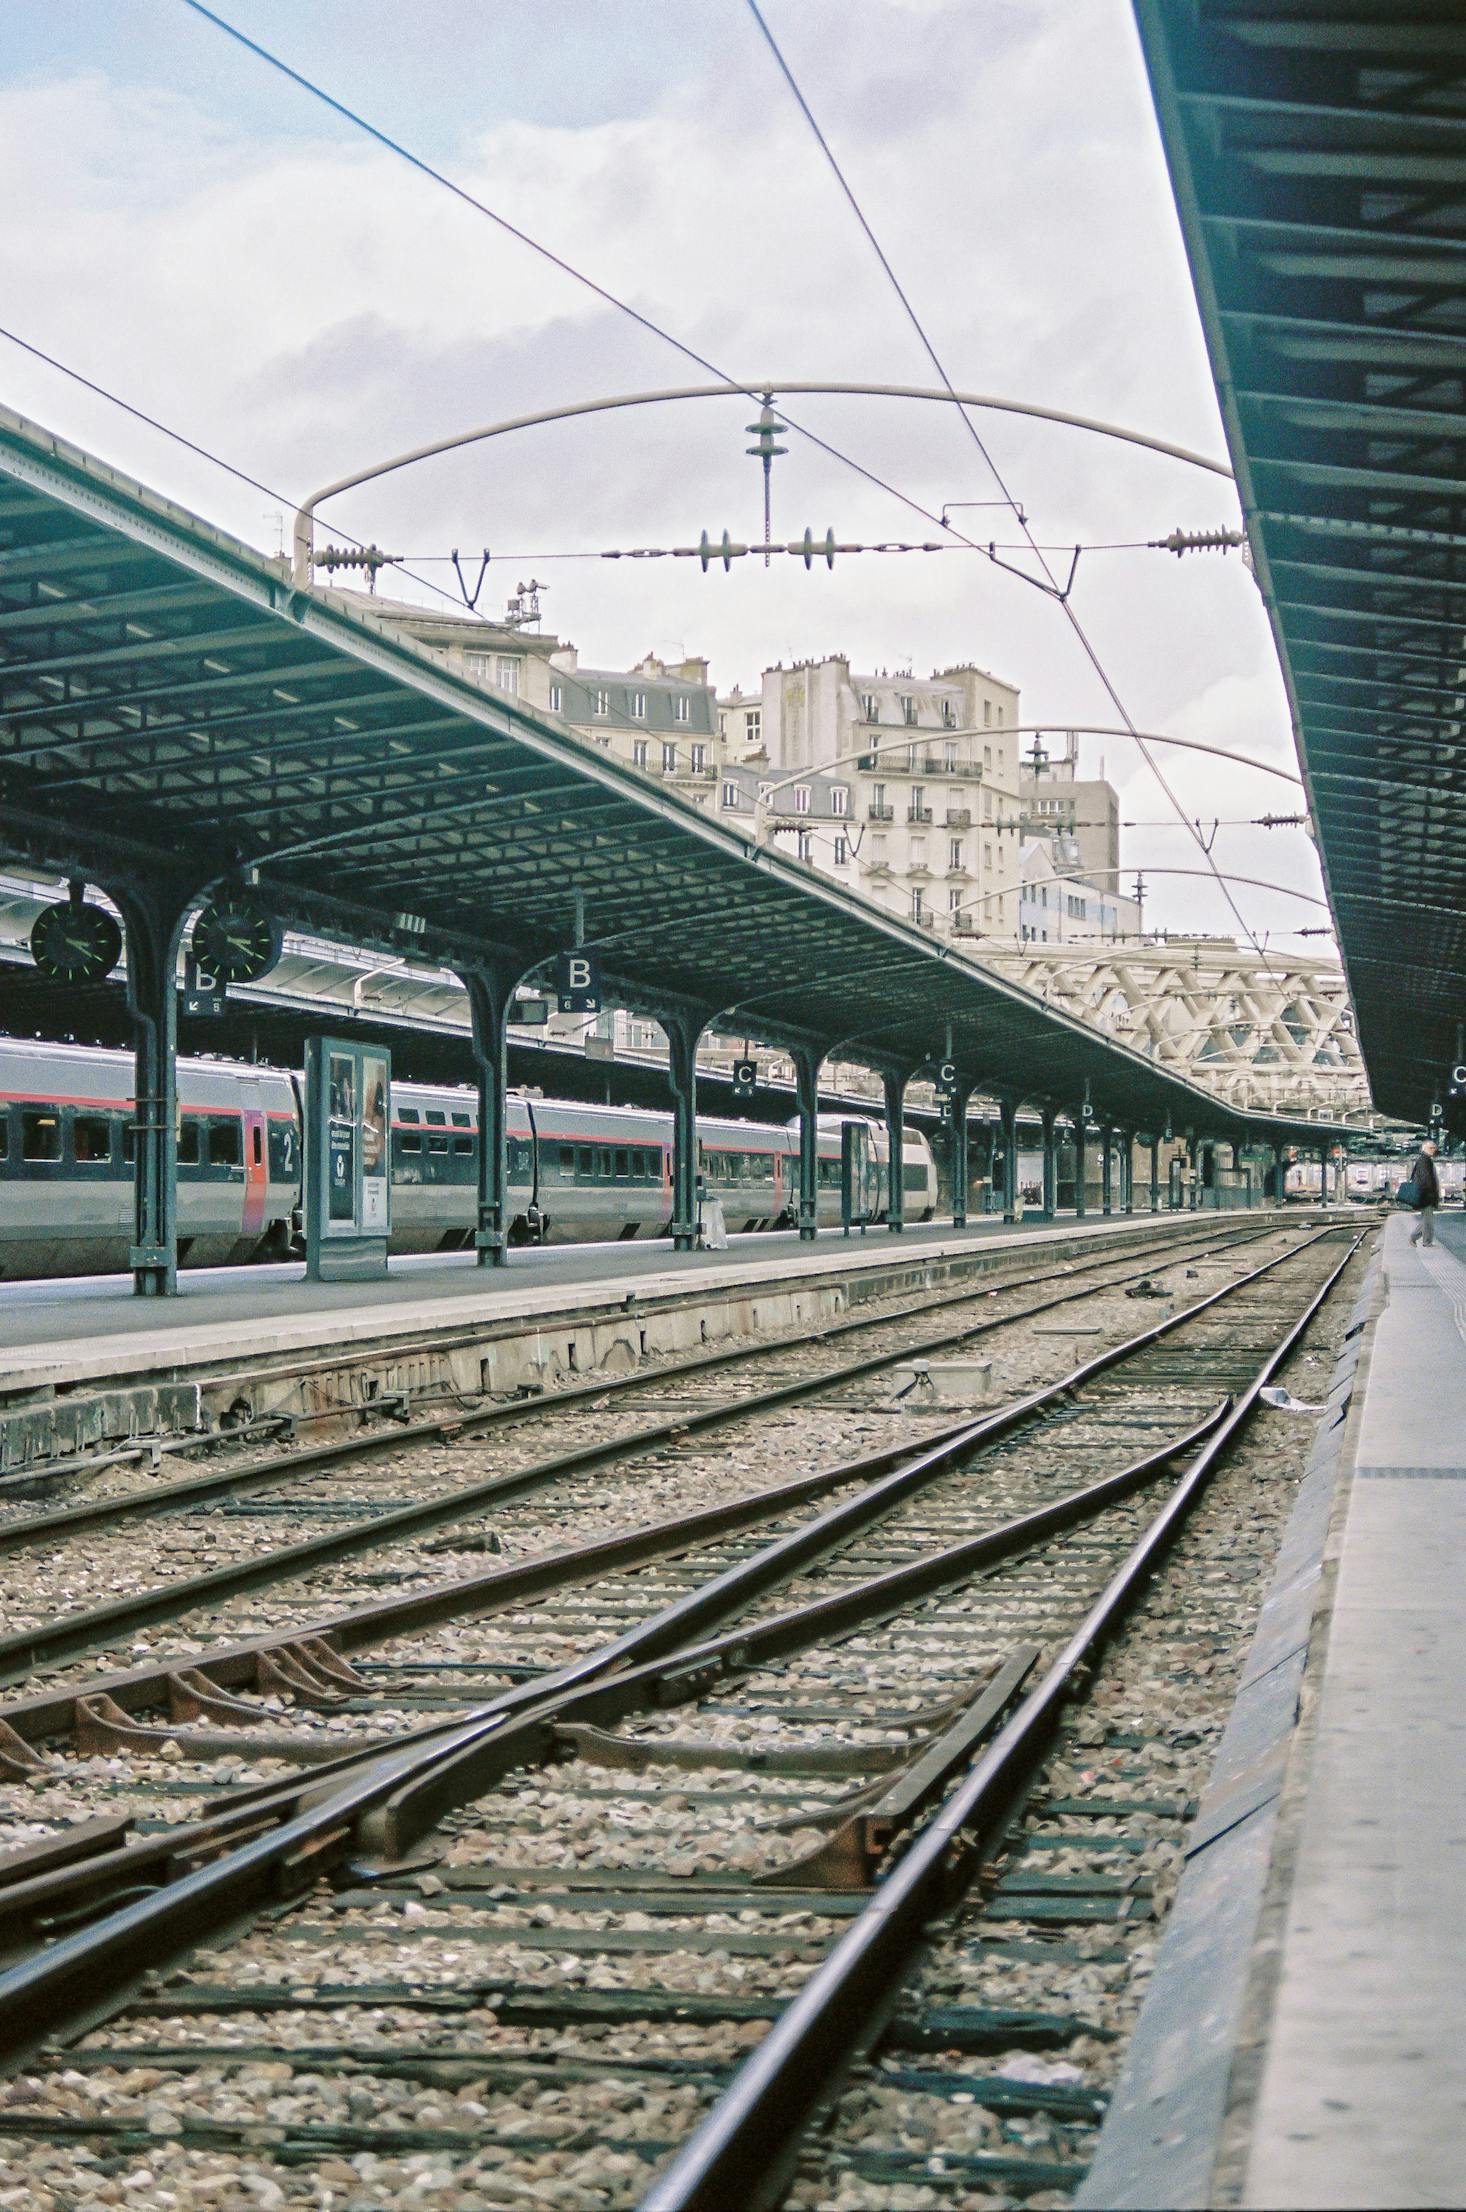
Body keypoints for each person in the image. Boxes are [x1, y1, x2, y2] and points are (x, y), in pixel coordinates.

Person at [1409, 1138, 1441, 1247]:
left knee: (1427, 1220)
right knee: (1428, 1221)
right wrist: (1431, 1195)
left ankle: (1422, 1240)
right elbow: (1426, 1179)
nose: (1434, 1150)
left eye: (1434, 1148)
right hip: (1426, 1196)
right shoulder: (1424, 1160)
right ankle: (1423, 1240)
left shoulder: (1426, 1159)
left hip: (1426, 1195)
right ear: (1426, 1148)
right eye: (1432, 1148)